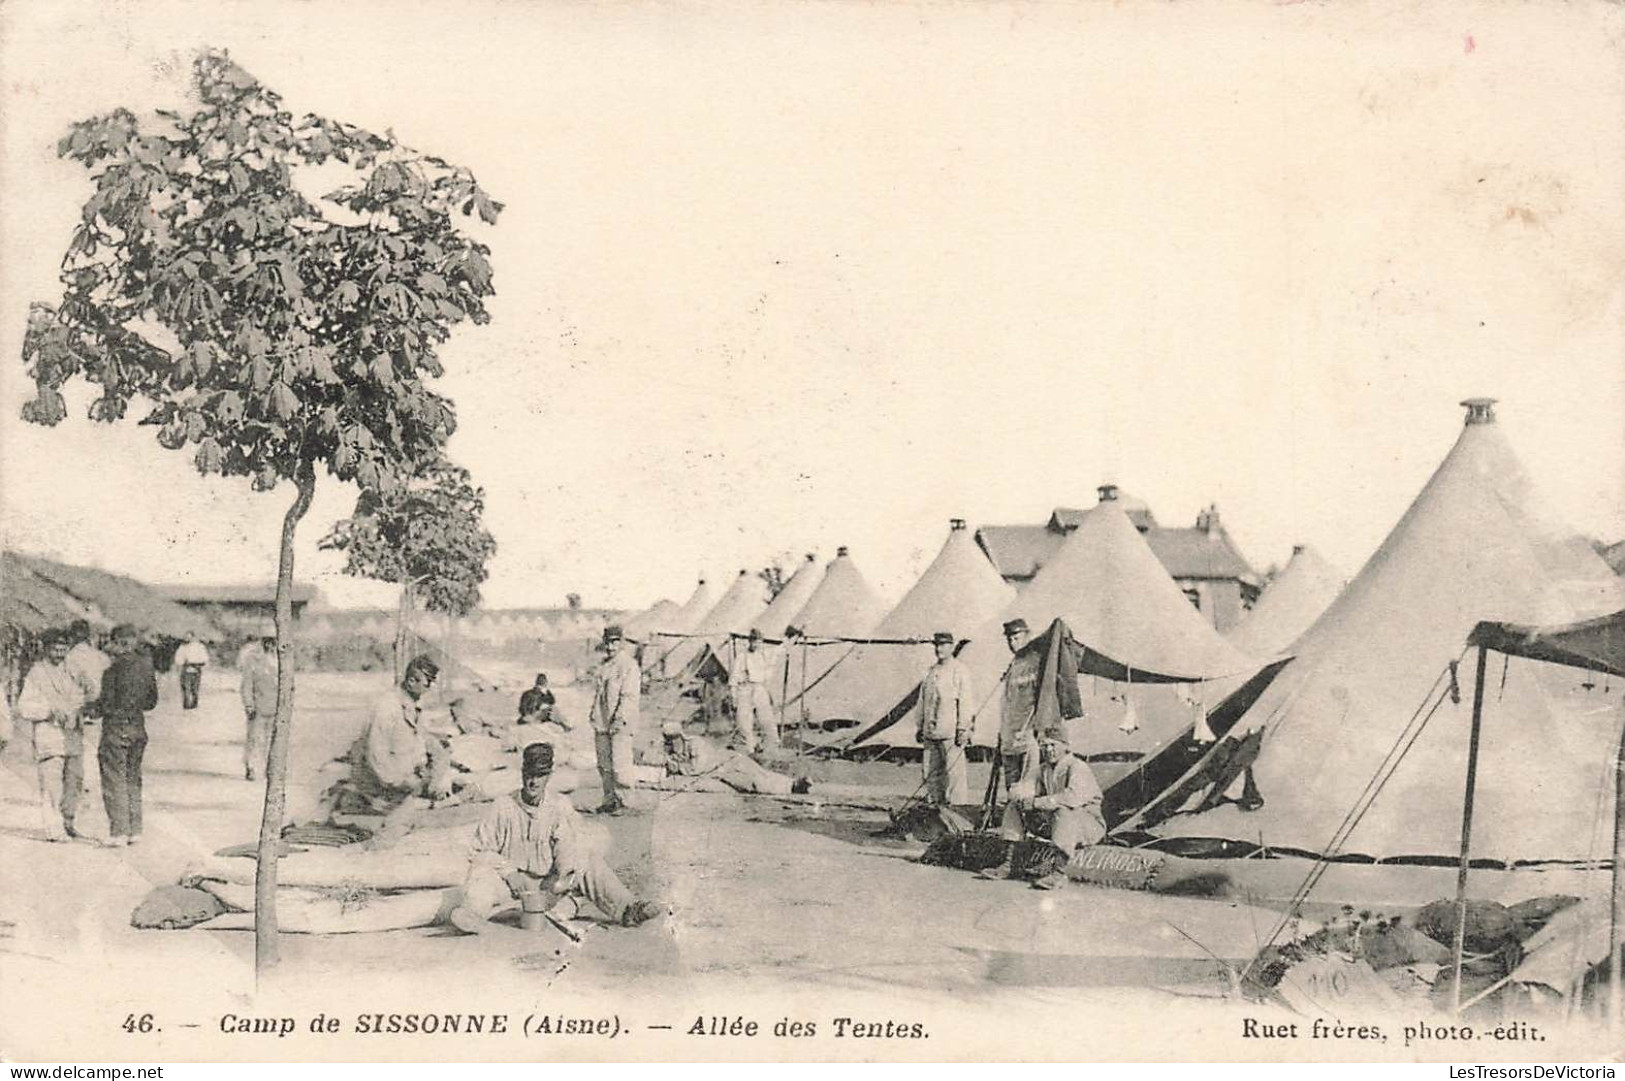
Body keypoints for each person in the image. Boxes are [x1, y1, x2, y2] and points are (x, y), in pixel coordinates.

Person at [446, 742, 661, 935]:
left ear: (549, 775)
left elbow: (569, 847)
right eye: (529, 774)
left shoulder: (559, 806)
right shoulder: (503, 806)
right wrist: (510, 873)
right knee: (481, 875)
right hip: (511, 884)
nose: (533, 781)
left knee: (590, 860)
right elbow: (479, 850)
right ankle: (472, 916)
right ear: (522, 773)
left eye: (539, 775)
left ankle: (628, 909)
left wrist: (559, 881)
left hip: (548, 883)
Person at [982, 729, 1106, 880]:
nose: (1048, 750)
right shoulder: (1044, 769)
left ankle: (1058, 873)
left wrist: (1036, 802)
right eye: (1044, 746)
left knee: (1063, 810)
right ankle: (1008, 864)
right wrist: (1020, 796)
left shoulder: (1077, 767)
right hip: (1058, 823)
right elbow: (1024, 788)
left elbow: (1072, 799)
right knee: (1015, 807)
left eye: (1053, 745)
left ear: (1065, 746)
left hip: (1088, 824)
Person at [17, 631, 88, 841]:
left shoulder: (73, 671)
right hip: (49, 737)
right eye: (55, 649)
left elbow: (84, 696)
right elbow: (24, 707)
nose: (59, 653)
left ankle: (68, 823)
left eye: (63, 649)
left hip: (72, 738)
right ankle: (53, 828)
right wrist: (48, 711)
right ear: (46, 649)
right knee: (51, 785)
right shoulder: (36, 674)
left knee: (74, 782)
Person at [93, 624, 158, 846]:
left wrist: (89, 708)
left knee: (113, 778)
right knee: (133, 778)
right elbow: (151, 703)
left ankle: (118, 831)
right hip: (138, 729)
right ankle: (135, 829)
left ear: (120, 642)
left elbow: (106, 705)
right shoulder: (147, 668)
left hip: (116, 729)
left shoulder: (112, 671)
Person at [916, 630, 973, 807]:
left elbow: (966, 702)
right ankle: (935, 811)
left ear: (951, 646)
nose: (939, 649)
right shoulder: (930, 672)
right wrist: (920, 726)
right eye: (936, 645)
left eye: (943, 645)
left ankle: (958, 812)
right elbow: (922, 701)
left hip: (950, 734)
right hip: (931, 733)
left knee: (955, 775)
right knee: (931, 774)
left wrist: (963, 728)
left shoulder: (960, 671)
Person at [588, 626, 640, 814]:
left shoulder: (628, 665)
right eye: (608, 642)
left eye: (614, 642)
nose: (610, 646)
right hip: (602, 721)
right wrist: (594, 716)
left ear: (621, 642)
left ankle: (625, 802)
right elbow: (599, 696)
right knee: (604, 764)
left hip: (620, 723)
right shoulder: (604, 666)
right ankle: (609, 799)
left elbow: (629, 696)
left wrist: (620, 718)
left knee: (621, 763)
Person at [728, 629, 779, 756]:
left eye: (759, 643)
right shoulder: (742, 656)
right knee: (744, 721)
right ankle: (750, 749)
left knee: (767, 718)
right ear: (749, 642)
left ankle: (770, 746)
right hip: (745, 689)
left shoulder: (763, 656)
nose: (756, 645)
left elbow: (768, 672)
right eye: (754, 642)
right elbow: (733, 678)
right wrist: (734, 696)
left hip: (759, 688)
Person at [238, 636, 278, 781]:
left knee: (272, 740)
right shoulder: (253, 661)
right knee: (254, 738)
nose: (271, 645)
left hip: (276, 707)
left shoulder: (281, 661)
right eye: (267, 642)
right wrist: (249, 705)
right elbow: (246, 685)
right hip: (258, 706)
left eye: (273, 642)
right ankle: (251, 766)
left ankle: (270, 768)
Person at [64, 620, 110, 708]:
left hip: (83, 704)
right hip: (102, 704)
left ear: (72, 637)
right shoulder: (102, 656)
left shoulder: (70, 656)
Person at [174, 631, 209, 710]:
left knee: (195, 687)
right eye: (186, 637)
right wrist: (181, 663)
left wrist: (198, 663)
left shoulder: (199, 647)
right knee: (186, 687)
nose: (187, 638)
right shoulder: (182, 647)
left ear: (193, 637)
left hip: (196, 669)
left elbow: (205, 658)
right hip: (186, 669)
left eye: (189, 637)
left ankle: (194, 704)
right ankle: (186, 704)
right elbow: (178, 659)